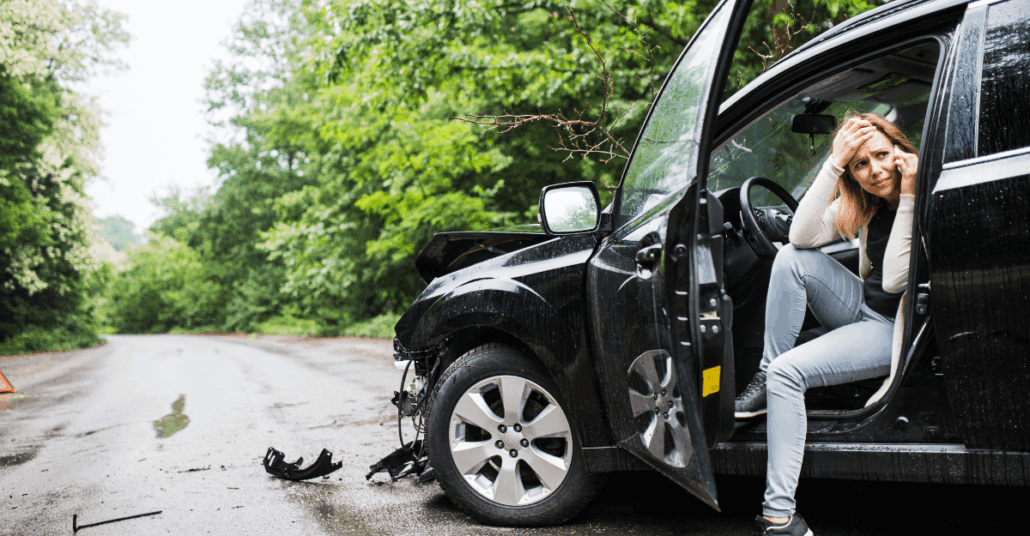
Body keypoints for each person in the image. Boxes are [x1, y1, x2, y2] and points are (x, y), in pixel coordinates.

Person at [733, 112, 919, 536]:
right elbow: (800, 237)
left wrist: (909, 193)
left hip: (895, 328)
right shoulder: (868, 203)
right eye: (860, 164)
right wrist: (833, 163)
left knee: (788, 374)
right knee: (791, 258)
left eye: (881, 155)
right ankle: (765, 375)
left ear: (899, 150)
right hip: (864, 307)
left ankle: (778, 517)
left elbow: (895, 280)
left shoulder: (923, 194)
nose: (875, 171)